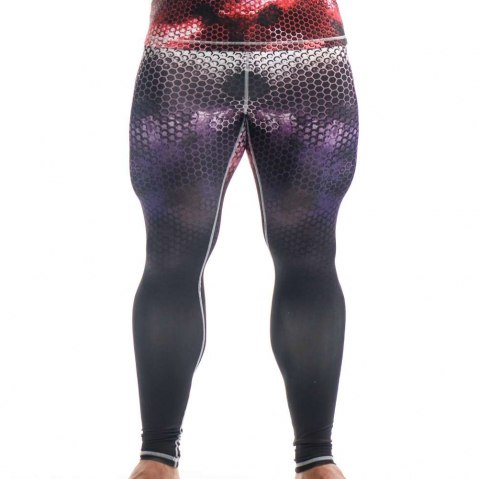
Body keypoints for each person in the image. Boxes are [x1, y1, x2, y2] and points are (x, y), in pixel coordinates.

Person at [127, 0, 359, 476]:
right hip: (184, 54)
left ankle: (317, 456)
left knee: (309, 254)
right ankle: (157, 456)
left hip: (308, 53)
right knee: (171, 256)